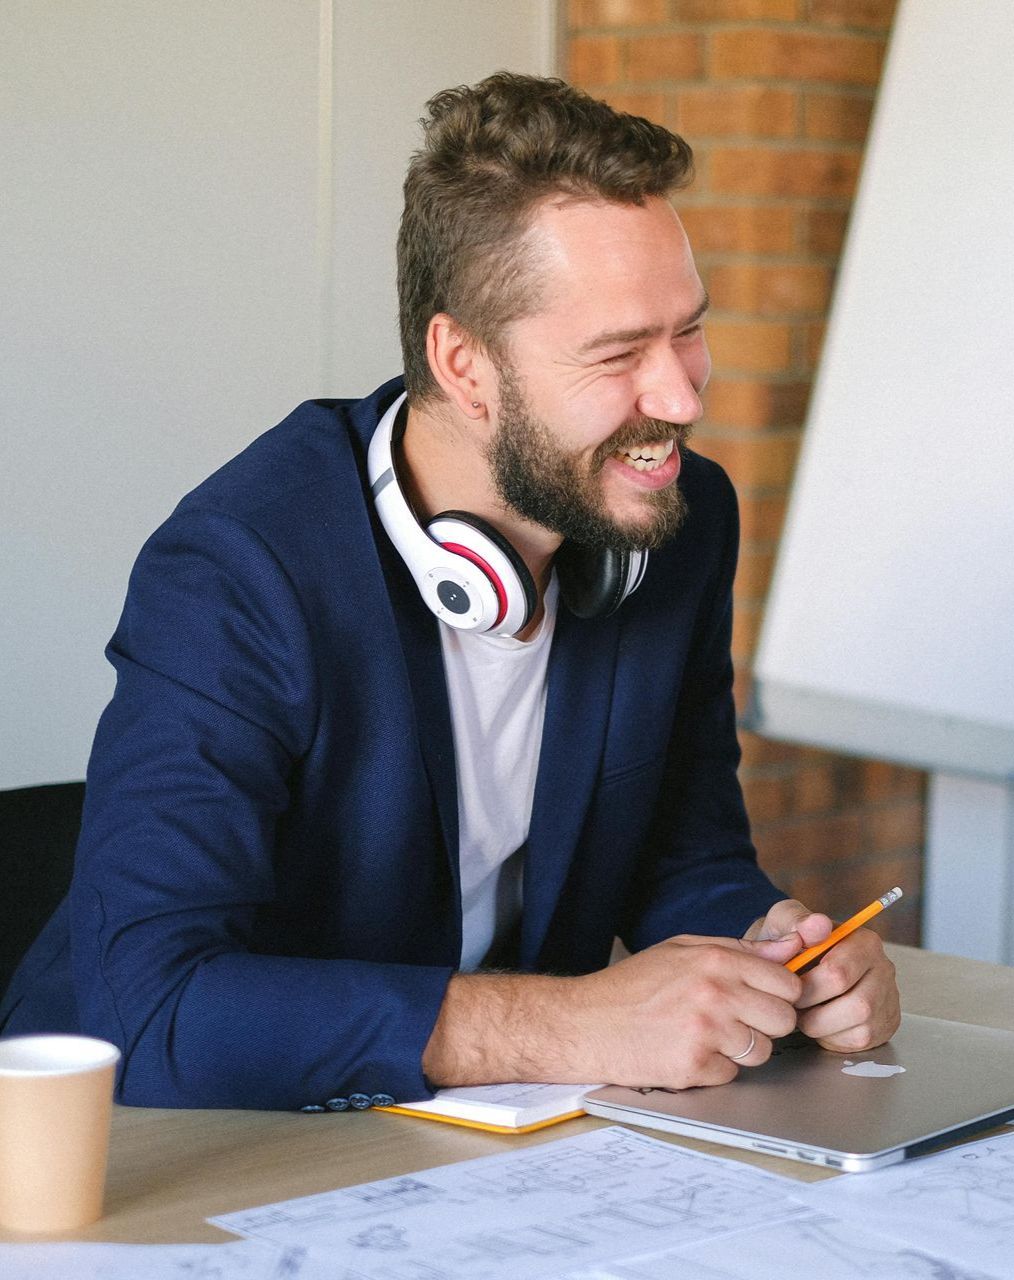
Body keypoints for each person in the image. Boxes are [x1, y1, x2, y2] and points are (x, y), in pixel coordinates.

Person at [0, 73, 899, 1110]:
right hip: (164, 1146)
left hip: (475, 1149)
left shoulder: (671, 518)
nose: (683, 394)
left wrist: (778, 947)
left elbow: (683, 856)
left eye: (687, 329)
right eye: (618, 353)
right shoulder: (242, 569)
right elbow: (148, 1006)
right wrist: (572, 1021)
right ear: (464, 364)